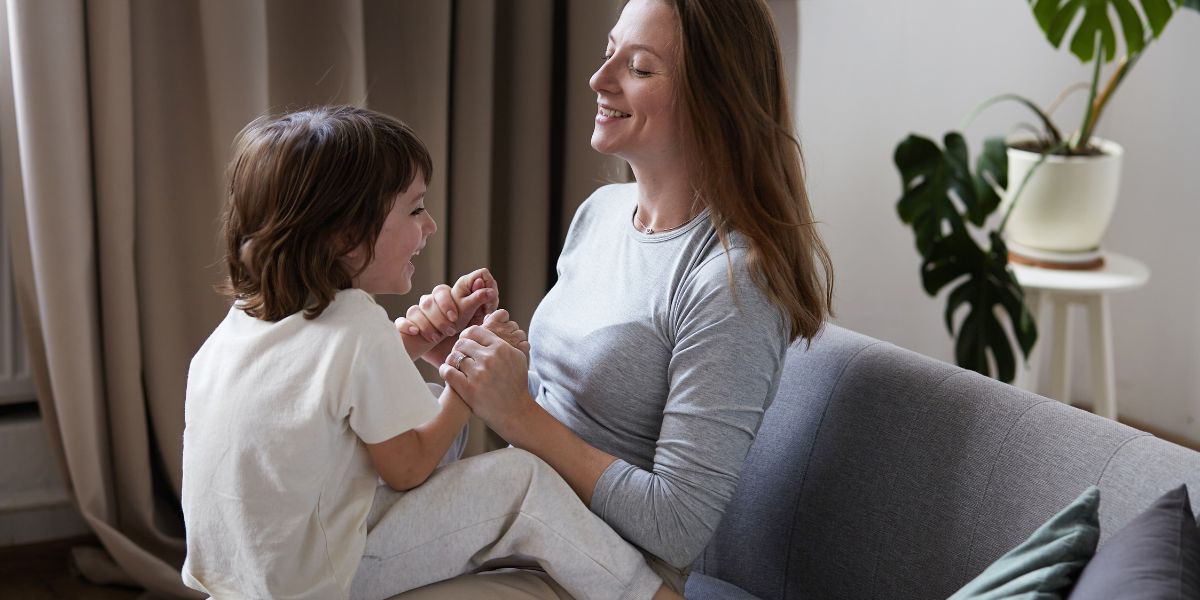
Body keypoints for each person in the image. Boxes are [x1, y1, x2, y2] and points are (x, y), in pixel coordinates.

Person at [397, 0, 833, 597]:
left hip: (601, 574)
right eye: (608, 53)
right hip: (521, 533)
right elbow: (553, 429)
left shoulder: (734, 283)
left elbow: (677, 527)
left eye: (640, 68)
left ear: (716, 96)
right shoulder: (601, 214)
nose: (599, 81)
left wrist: (515, 412)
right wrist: (466, 366)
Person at [180, 105, 681, 600]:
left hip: (248, 573)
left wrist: (419, 342)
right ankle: (649, 595)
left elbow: (321, 397)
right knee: (522, 483)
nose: (431, 225)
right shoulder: (356, 321)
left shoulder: (243, 327)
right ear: (348, 235)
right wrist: (467, 381)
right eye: (415, 209)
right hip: (322, 578)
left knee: (411, 404)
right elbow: (407, 469)